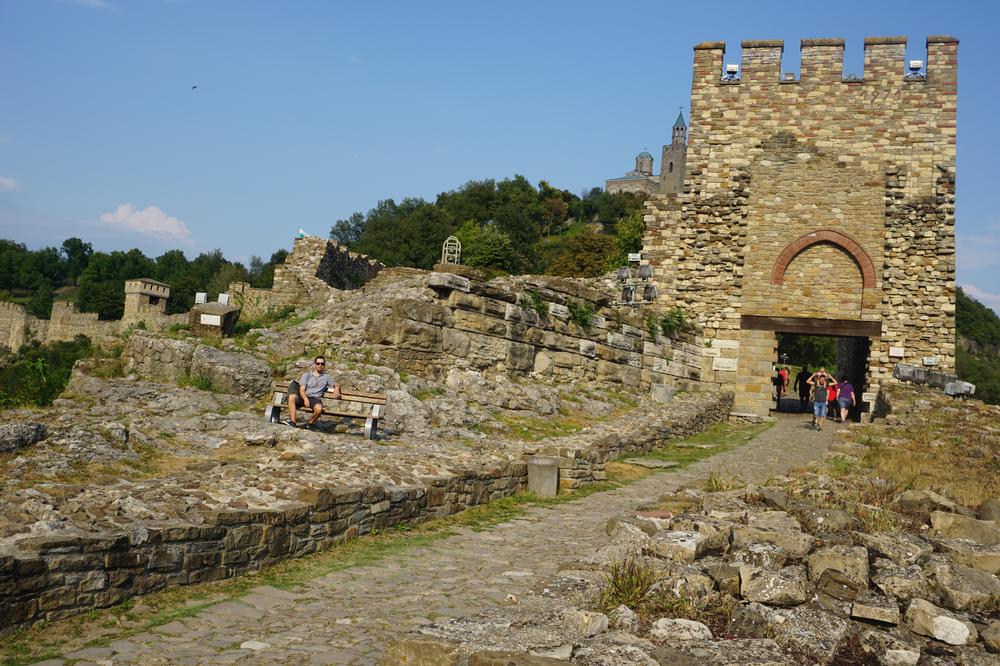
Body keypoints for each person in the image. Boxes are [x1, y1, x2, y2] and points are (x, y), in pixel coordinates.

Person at [283, 355, 340, 428]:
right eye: (318, 363)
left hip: (315, 399)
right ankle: (293, 422)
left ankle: (309, 424)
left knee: (319, 409)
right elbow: (302, 389)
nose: (320, 365)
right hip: (304, 396)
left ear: (324, 365)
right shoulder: (307, 375)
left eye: (322, 364)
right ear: (314, 364)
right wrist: (305, 399)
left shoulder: (326, 377)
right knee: (292, 397)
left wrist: (336, 389)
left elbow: (336, 384)